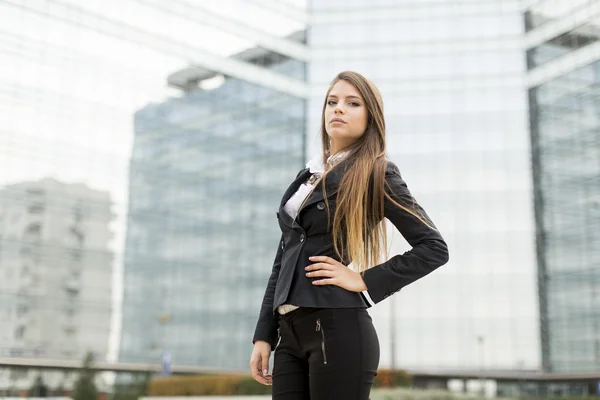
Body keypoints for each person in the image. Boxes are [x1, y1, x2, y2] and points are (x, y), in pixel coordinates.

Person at [249, 71, 449, 399]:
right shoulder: (308, 176)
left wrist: (363, 280)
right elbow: (282, 260)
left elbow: (433, 248)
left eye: (352, 103)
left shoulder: (377, 172)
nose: (338, 109)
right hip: (289, 334)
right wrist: (264, 336)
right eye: (332, 102)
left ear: (370, 117)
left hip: (337, 327)